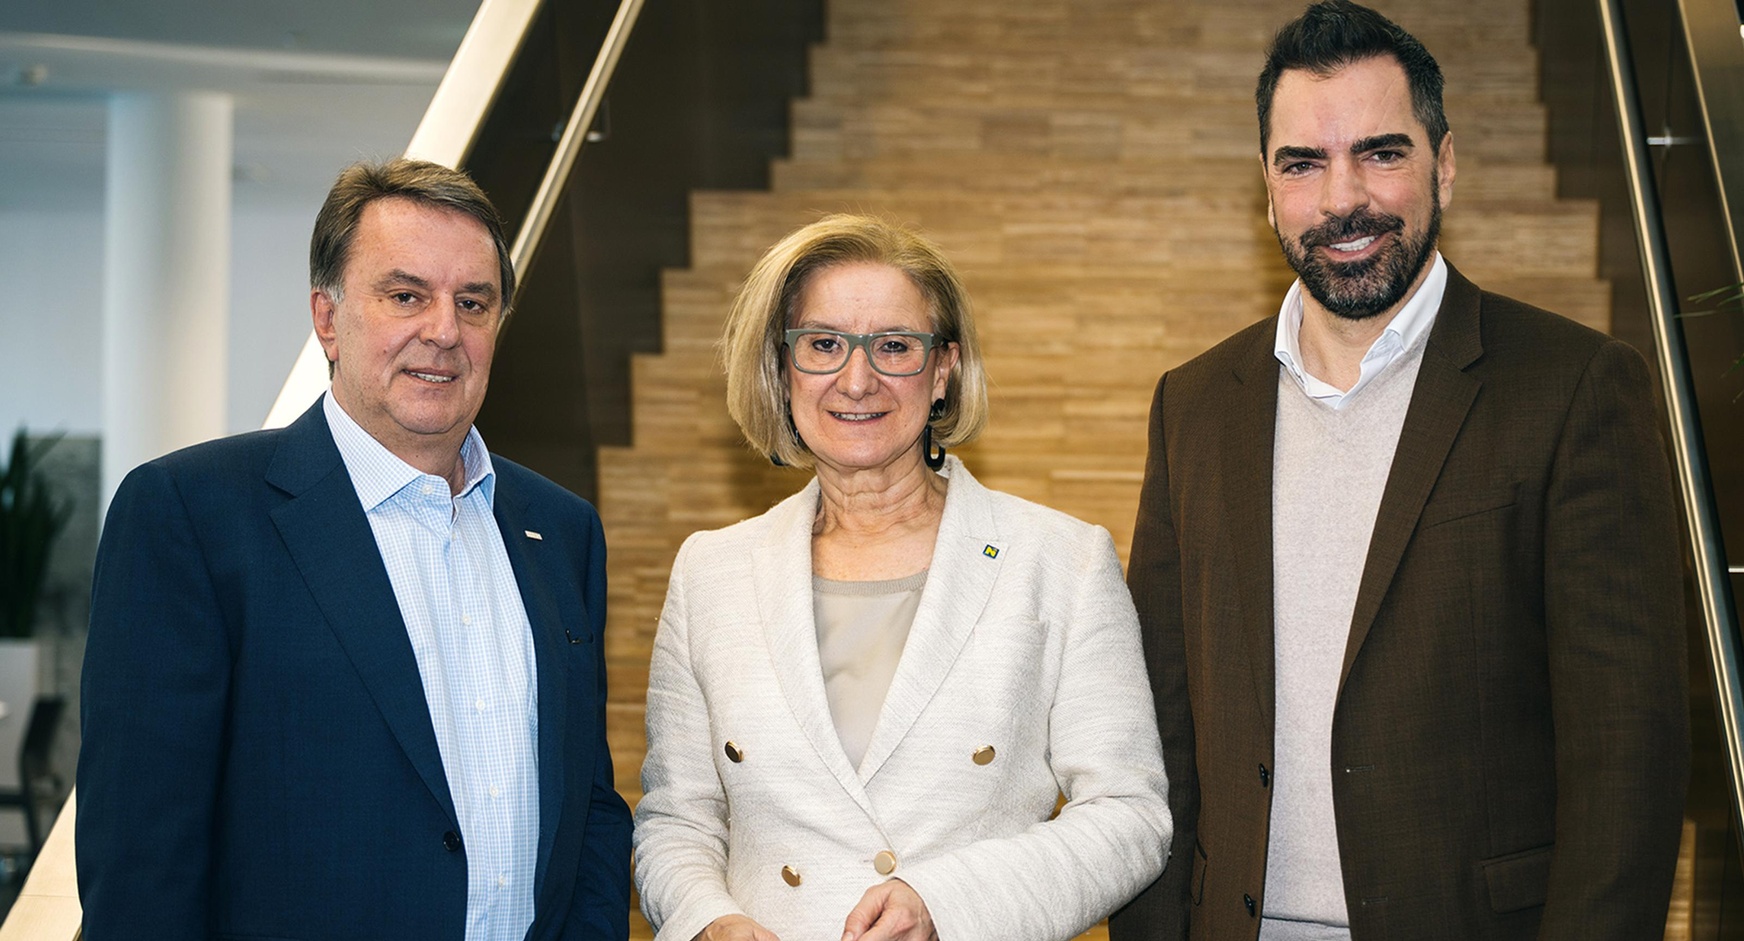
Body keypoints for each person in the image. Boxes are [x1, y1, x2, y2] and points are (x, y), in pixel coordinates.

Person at [1110, 3, 1690, 940]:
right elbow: (1158, 733)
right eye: (1303, 163)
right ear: (1266, 188)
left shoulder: (1577, 386)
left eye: (1381, 153)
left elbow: (1629, 750)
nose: (1342, 199)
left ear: (1444, 164)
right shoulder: (1195, 405)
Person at [77, 158, 632, 940]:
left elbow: (589, 809)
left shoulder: (560, 530)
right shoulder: (191, 516)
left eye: (473, 302)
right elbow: (142, 859)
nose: (444, 330)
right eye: (406, 295)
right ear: (328, 318)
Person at [633, 214, 1173, 941]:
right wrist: (708, 918)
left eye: (894, 346)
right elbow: (675, 820)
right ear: (782, 366)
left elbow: (1130, 814)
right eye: (823, 344)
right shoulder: (711, 571)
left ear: (943, 368)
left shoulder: (1061, 560)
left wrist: (946, 904)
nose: (857, 380)